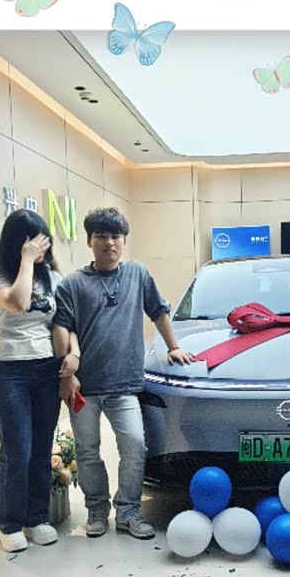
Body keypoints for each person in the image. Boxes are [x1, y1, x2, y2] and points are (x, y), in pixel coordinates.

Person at [52, 206, 194, 540]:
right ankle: (96, 511)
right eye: (101, 236)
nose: (109, 243)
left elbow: (158, 311)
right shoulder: (72, 284)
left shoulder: (138, 274)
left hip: (125, 384)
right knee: (88, 451)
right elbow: (63, 328)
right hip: (84, 387)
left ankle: (128, 511)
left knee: (135, 445)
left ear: (124, 241)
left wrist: (173, 346)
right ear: (89, 241)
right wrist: (66, 375)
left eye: (115, 236)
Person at [0, 209, 78, 553]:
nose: (41, 246)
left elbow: (65, 322)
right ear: (18, 242)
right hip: (9, 370)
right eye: (33, 241)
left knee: (40, 448)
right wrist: (25, 260)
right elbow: (20, 302)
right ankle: (9, 523)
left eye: (43, 240)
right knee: (17, 450)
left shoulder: (53, 277)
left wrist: (73, 356)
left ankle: (37, 517)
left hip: (46, 369)